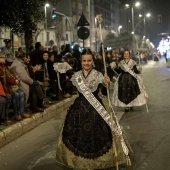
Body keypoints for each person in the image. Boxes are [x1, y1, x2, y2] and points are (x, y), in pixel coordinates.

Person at [56, 48, 132, 169]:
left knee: (99, 136)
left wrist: (106, 82)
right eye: (84, 61)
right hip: (79, 110)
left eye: (89, 61)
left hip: (97, 109)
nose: (86, 63)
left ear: (93, 61)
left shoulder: (98, 74)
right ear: (81, 61)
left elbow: (104, 88)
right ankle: (81, 162)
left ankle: (97, 162)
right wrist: (62, 74)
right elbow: (67, 88)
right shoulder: (76, 75)